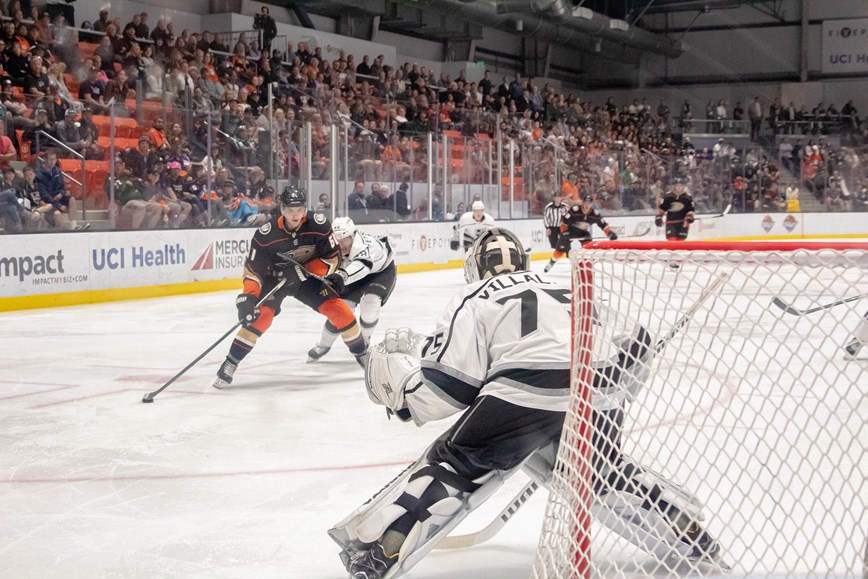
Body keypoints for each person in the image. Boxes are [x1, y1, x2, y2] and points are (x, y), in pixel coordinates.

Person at [334, 227, 723, 578]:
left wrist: (404, 396)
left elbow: (447, 389)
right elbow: (637, 343)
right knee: (599, 471)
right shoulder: (566, 283)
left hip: (521, 394)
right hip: (595, 390)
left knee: (457, 462)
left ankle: (378, 547)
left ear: (476, 267)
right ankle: (686, 529)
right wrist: (606, 394)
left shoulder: (473, 295)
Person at [213, 187, 369, 389]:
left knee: (340, 311)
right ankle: (230, 363)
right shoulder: (265, 234)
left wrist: (308, 270)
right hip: (274, 280)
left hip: (306, 278)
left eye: (299, 209)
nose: (295, 214)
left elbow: (333, 258)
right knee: (260, 317)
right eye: (290, 209)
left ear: (305, 209)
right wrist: (249, 297)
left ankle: (362, 355)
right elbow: (253, 270)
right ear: (282, 209)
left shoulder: (319, 226)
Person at [307, 217, 396, 363]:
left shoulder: (366, 246)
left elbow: (362, 266)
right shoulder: (331, 245)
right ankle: (323, 345)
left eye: (345, 239)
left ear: (353, 235)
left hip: (379, 274)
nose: (341, 244)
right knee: (342, 310)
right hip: (348, 274)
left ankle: (364, 341)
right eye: (338, 240)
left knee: (371, 302)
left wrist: (342, 275)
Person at [544, 195, 617, 273]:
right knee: (559, 251)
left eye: (589, 203)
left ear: (591, 204)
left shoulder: (594, 214)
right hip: (569, 232)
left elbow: (603, 224)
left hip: (583, 233)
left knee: (589, 249)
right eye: (585, 203)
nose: (587, 205)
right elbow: (563, 220)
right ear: (582, 203)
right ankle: (552, 262)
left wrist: (609, 233)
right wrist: (564, 231)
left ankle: (588, 266)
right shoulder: (574, 210)